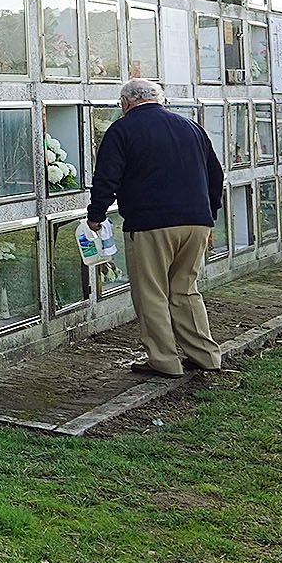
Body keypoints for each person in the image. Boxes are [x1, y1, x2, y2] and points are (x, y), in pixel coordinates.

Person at [85, 77, 225, 378]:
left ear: (126, 103)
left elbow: (107, 178)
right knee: (186, 289)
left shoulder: (122, 130)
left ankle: (164, 360)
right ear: (159, 99)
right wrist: (209, 214)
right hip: (196, 222)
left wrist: (95, 215)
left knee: (152, 293)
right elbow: (216, 174)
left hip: (151, 224)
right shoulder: (191, 128)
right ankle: (205, 355)